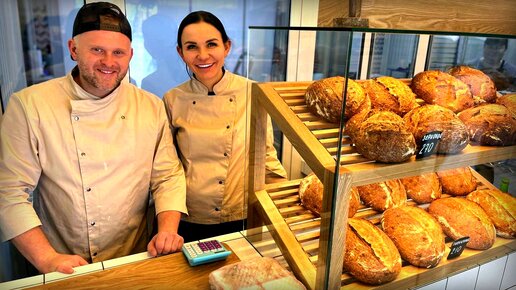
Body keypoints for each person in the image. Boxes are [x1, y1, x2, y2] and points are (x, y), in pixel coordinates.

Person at [0, 2, 187, 275]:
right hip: (60, 262)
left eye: (118, 52)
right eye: (97, 50)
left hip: (133, 256)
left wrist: (167, 232)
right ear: (73, 49)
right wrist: (48, 260)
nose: (109, 62)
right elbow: (9, 193)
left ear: (131, 55)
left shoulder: (150, 106)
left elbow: (167, 176)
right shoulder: (30, 106)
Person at [163, 11, 287, 242]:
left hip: (240, 215)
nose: (203, 55)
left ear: (226, 47)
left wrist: (285, 204)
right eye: (191, 47)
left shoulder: (253, 93)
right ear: (181, 53)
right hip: (189, 218)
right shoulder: (172, 99)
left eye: (212, 44)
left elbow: (266, 156)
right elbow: (168, 168)